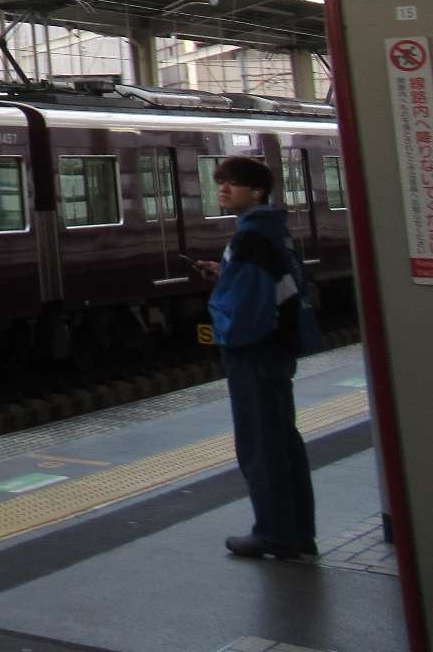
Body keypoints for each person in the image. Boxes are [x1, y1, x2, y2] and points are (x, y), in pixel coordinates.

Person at [195, 155, 318, 561]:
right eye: (222, 182)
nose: (224, 189)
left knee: (260, 444)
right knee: (283, 441)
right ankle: (298, 532)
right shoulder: (271, 231)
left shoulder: (250, 236)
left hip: (255, 353)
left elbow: (245, 309)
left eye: (234, 183)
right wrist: (224, 272)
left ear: (258, 190)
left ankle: (273, 534)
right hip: (277, 350)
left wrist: (224, 328)